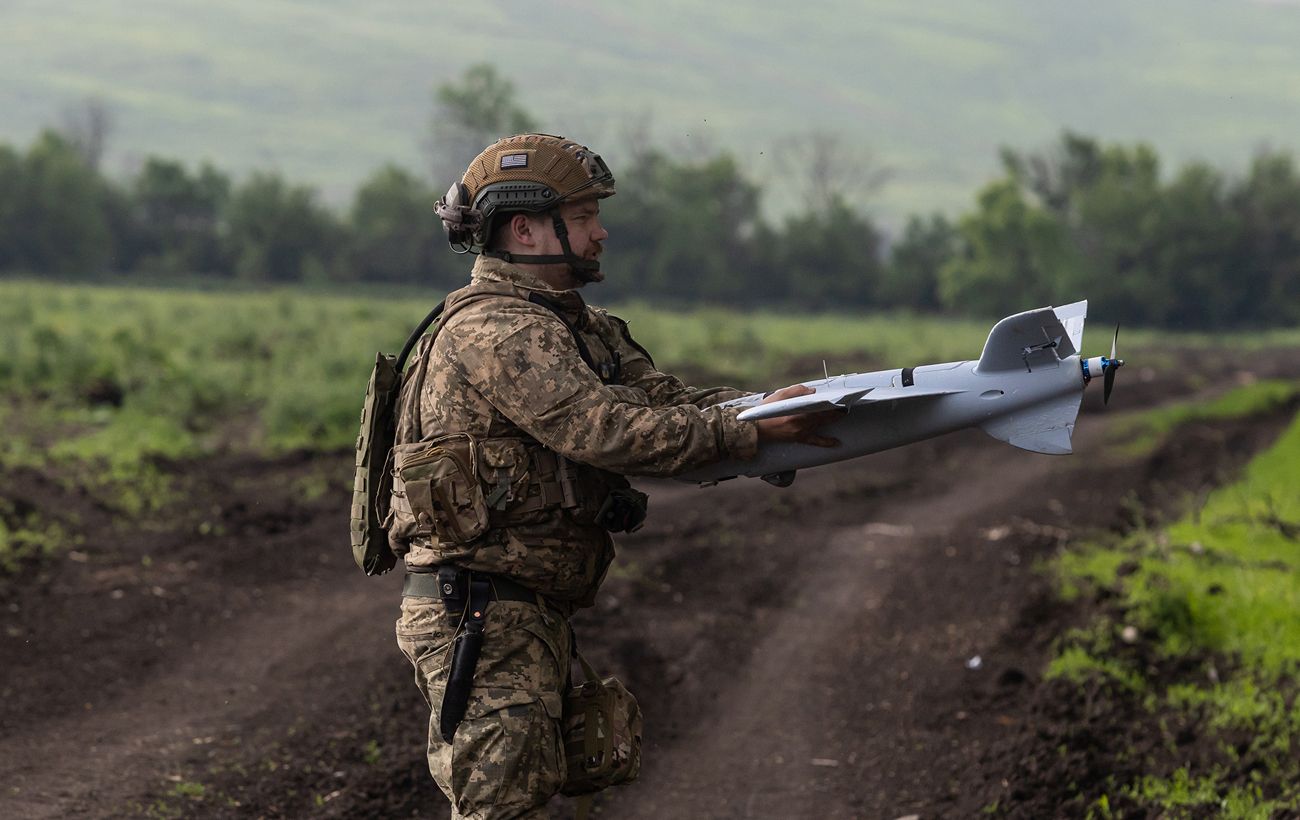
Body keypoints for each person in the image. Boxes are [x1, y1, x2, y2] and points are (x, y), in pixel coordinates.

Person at [391, 133, 835, 819]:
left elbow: (662, 401)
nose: (602, 231)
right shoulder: (500, 332)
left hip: (520, 608)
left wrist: (762, 410)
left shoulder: (574, 325)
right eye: (584, 216)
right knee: (503, 810)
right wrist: (744, 437)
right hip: (482, 612)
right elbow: (602, 429)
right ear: (527, 228)